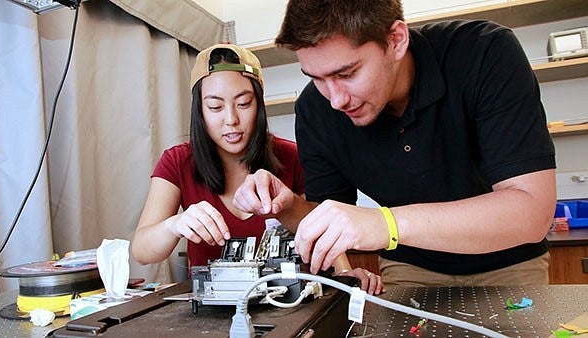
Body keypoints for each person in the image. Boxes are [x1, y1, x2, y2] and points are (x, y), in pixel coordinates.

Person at [233, 0, 557, 286]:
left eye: (347, 74)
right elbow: (326, 215)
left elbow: (532, 211)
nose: (335, 100)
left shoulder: (484, 52)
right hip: (409, 268)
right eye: (316, 78)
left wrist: (384, 222)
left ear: (396, 41)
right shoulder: (315, 111)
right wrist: (289, 206)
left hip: (509, 263)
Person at [131, 43, 382, 294]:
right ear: (199, 110)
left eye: (243, 103)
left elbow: (321, 226)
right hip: (212, 308)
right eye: (215, 107)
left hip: (287, 302)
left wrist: (345, 274)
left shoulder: (292, 156)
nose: (231, 120)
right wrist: (175, 224)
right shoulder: (177, 161)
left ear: (259, 105)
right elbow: (142, 251)